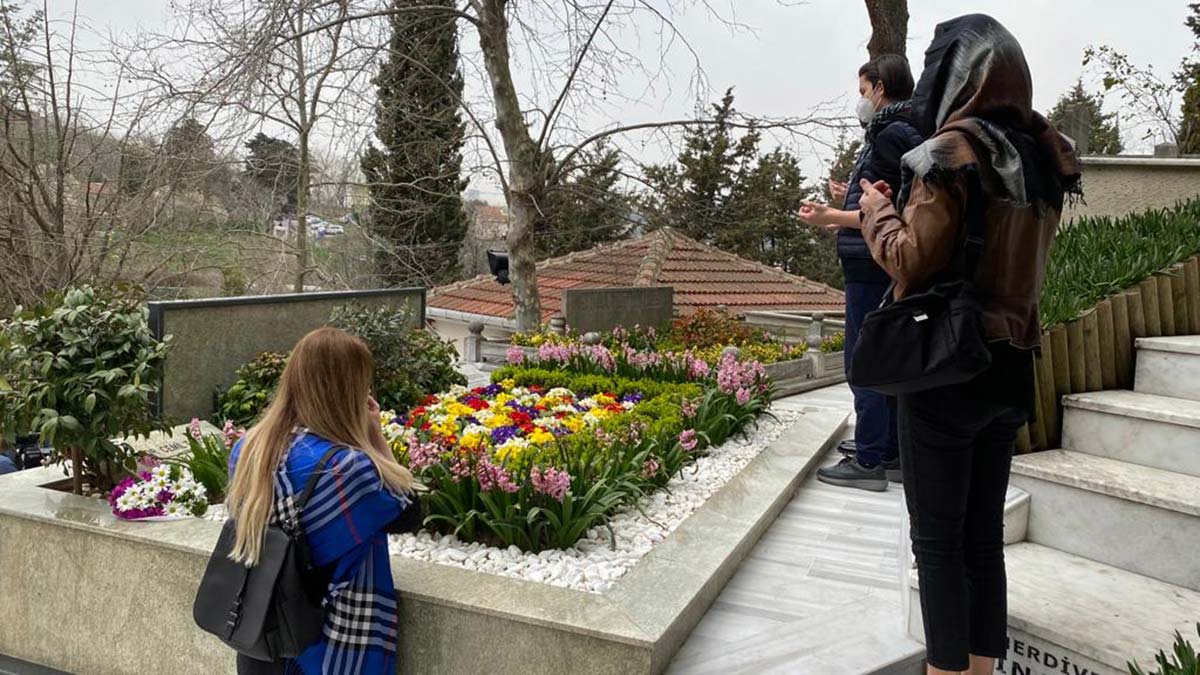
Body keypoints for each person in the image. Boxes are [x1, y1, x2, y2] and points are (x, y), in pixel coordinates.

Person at [855, 14, 1081, 675]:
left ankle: (946, 671)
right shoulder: (1045, 156)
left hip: (946, 366)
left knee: (938, 542)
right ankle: (981, 669)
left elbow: (910, 261)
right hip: (1013, 367)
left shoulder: (952, 153)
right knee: (983, 539)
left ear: (956, 77)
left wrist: (876, 209)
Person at [225, 326, 423, 675]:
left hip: (260, 632)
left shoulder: (249, 448)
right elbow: (409, 512)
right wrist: (375, 438)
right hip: (329, 642)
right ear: (351, 391)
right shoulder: (349, 467)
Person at [800, 53, 924, 491]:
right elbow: (877, 199)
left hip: (872, 264)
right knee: (877, 354)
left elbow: (898, 211)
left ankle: (871, 459)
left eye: (863, 91)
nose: (861, 101)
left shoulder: (892, 134)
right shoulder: (894, 131)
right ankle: (885, 449)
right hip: (873, 260)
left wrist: (831, 214)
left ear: (880, 87)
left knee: (865, 358)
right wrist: (846, 198)